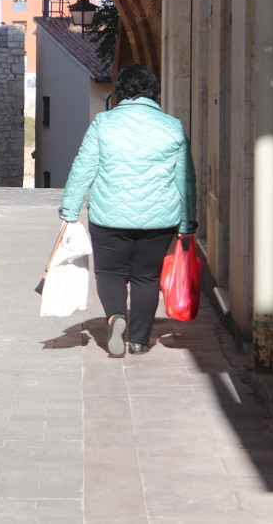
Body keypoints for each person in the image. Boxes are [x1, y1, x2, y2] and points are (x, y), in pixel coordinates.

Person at [59, 64, 197, 357]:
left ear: (120, 92)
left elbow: (84, 166)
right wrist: (187, 223)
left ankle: (115, 316)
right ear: (153, 93)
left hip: (109, 215)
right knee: (146, 278)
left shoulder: (103, 123)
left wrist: (69, 211)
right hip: (160, 219)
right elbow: (185, 178)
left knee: (109, 272)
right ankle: (138, 340)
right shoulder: (172, 126)